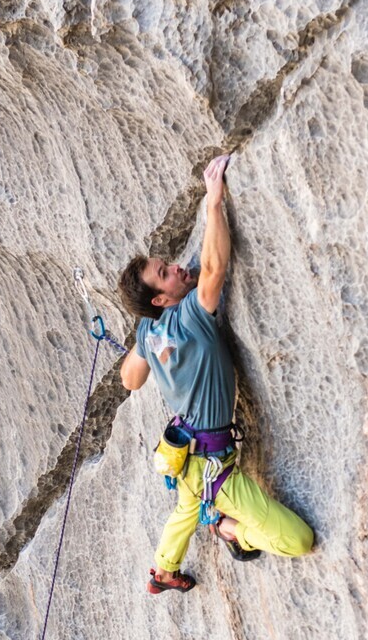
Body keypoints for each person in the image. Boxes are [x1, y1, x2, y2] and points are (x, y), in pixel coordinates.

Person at [118, 154, 314, 596]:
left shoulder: (149, 331)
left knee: (186, 506)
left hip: (184, 455)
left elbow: (131, 380)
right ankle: (231, 530)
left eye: (165, 262)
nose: (174, 267)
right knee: (300, 540)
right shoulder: (188, 317)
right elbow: (213, 270)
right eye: (165, 273)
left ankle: (164, 569)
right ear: (162, 301)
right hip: (211, 465)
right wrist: (213, 201)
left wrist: (142, 341)